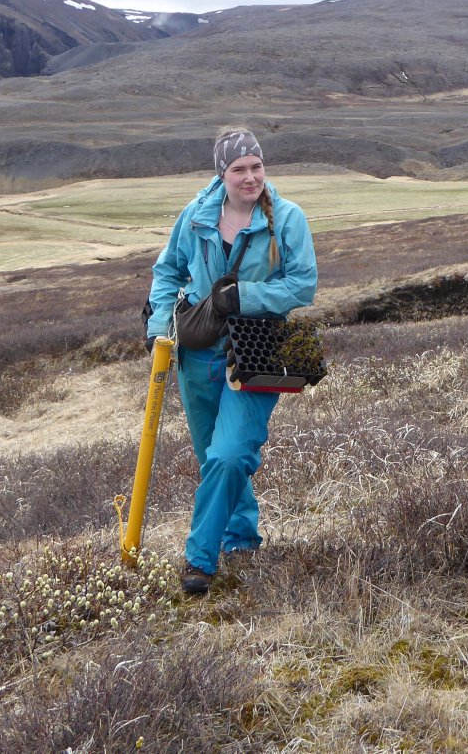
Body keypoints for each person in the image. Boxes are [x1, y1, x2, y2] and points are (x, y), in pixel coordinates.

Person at [145, 126, 318, 595]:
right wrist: (159, 325)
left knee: (228, 454)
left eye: (256, 167)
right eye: (238, 169)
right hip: (197, 353)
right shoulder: (196, 215)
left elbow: (303, 286)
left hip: (259, 349)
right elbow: (167, 272)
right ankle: (240, 539)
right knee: (212, 460)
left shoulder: (287, 218)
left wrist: (243, 297)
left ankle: (199, 560)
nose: (250, 178)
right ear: (221, 173)